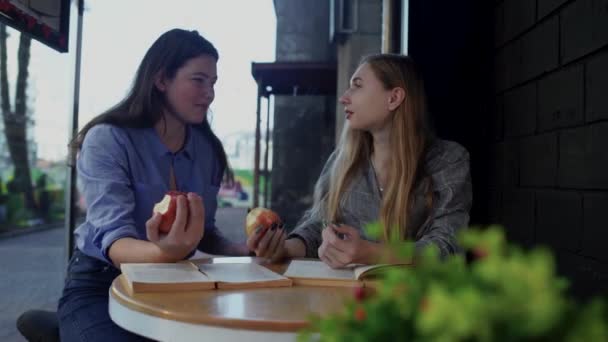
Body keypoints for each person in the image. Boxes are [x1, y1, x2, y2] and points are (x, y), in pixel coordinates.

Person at [57, 29, 249, 341]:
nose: (210, 93)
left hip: (177, 282)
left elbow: (205, 234)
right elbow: (115, 243)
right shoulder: (108, 139)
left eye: (213, 82)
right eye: (198, 80)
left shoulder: (207, 149)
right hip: (101, 284)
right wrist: (168, 253)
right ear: (161, 80)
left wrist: (243, 250)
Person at [247, 53, 472, 268]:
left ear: (393, 98)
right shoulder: (343, 161)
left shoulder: (447, 160)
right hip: (347, 298)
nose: (344, 97)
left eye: (357, 85)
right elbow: (319, 227)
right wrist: (283, 248)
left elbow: (448, 248)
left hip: (417, 301)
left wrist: (371, 253)